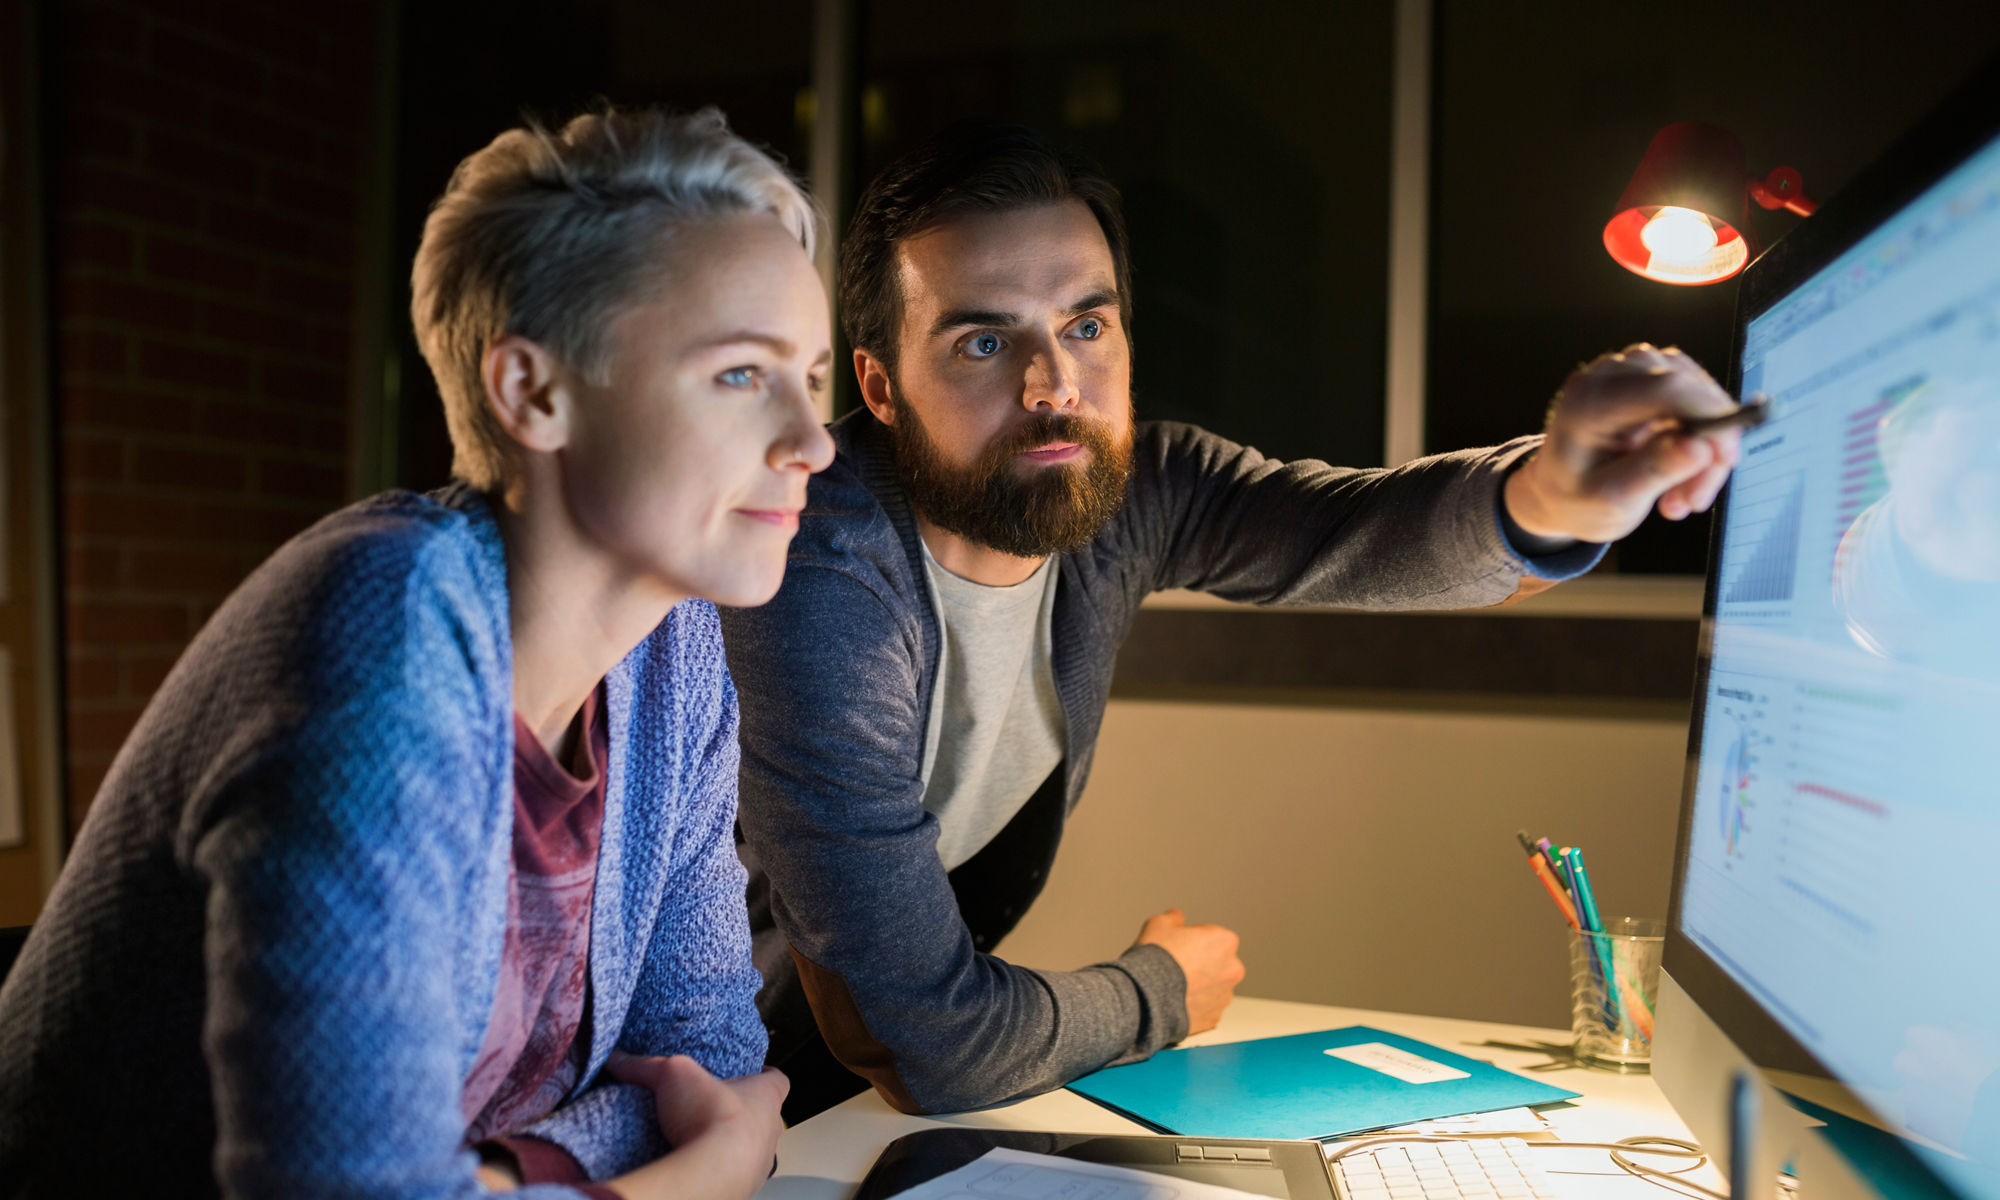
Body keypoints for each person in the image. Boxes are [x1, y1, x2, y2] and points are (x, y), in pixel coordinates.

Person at [719, 122, 1745, 1121]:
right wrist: (1158, 987)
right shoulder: (813, 573)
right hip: (712, 1086)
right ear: (877, 386)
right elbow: (925, 1042)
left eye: (1085, 325)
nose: (1052, 387)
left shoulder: (1134, 492)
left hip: (864, 1102)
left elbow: (1357, 529)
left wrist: (1557, 494)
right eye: (983, 341)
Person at [0, 107, 834, 1198]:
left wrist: (490, 1179)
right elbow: (716, 1133)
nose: (813, 441)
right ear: (532, 392)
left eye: (812, 378)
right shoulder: (385, 629)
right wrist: (701, 1176)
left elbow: (712, 1062)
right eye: (740, 375)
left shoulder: (671, 657)